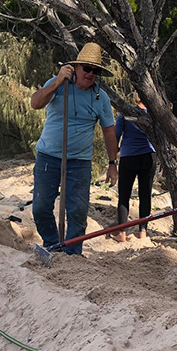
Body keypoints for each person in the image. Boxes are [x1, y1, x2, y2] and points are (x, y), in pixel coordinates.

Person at [30, 43, 120, 255]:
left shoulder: (101, 98)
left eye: (95, 71)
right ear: (76, 67)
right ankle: (52, 245)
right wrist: (57, 82)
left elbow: (109, 131)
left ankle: (72, 254)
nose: (90, 74)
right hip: (48, 157)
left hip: (79, 162)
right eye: (86, 68)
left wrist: (112, 163)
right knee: (41, 207)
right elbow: (35, 103)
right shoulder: (59, 84)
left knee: (78, 211)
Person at [113, 97, 156, 242]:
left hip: (128, 157)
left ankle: (122, 233)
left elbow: (116, 136)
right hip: (148, 156)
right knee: (145, 195)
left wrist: (113, 155)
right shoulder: (154, 114)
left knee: (124, 195)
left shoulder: (124, 114)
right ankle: (143, 231)